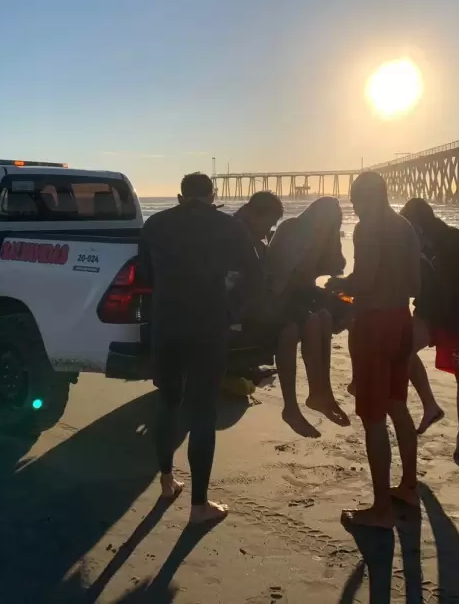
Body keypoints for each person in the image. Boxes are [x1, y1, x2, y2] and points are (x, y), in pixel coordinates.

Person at [139, 173, 262, 524]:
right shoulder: (226, 225)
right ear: (212, 196)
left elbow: (144, 274)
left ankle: (166, 481)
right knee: (203, 411)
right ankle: (198, 506)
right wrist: (231, 308)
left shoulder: (156, 224)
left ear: (180, 196)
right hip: (208, 326)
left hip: (166, 325)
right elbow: (253, 274)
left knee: (167, 401)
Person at [326, 172, 421, 529]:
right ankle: (409, 486)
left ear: (368, 197)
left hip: (374, 325)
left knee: (373, 417)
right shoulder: (406, 227)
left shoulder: (367, 228)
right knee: (398, 404)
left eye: (354, 199)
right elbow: (415, 283)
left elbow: (363, 281)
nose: (353, 206)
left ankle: (381, 509)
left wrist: (339, 285)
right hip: (401, 319)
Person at [399, 198, 459, 461]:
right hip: (429, 314)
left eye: (409, 228)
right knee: (401, 346)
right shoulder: (415, 245)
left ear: (419, 225)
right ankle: (430, 406)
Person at [233, 192, 316, 437]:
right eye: (268, 223)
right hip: (236, 313)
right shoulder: (238, 236)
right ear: (252, 212)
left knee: (311, 317)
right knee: (290, 328)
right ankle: (291, 406)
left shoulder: (243, 232)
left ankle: (314, 396)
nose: (269, 229)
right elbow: (249, 281)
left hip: (244, 304)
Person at [266, 196, 350, 434]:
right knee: (313, 321)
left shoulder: (323, 237)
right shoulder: (291, 228)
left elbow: (336, 267)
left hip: (302, 292)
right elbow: (280, 275)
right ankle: (296, 404)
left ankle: (322, 392)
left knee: (324, 316)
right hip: (280, 293)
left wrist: (332, 243)